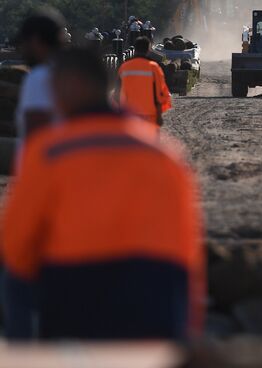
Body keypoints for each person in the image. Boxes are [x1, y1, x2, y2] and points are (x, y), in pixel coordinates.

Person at [1, 48, 205, 340]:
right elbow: (187, 253)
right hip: (154, 307)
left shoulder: (48, 154)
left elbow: (17, 245)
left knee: (12, 280)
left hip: (76, 301)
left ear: (73, 86)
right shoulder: (167, 157)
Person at [14, 8, 66, 162]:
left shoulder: (39, 77)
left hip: (44, 174)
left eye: (23, 43)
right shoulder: (70, 74)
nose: (22, 50)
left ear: (35, 41)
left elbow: (37, 133)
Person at [117, 37, 172, 126]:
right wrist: (159, 116)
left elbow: (117, 93)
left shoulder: (124, 67)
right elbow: (161, 94)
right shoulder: (154, 68)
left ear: (134, 49)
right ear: (148, 50)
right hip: (150, 117)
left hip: (129, 116)